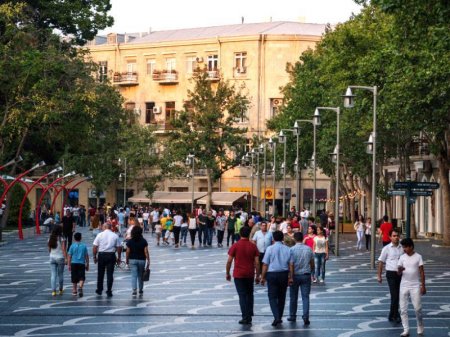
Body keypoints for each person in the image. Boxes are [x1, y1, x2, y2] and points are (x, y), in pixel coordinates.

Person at [226, 226, 260, 325]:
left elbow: (229, 261)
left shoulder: (235, 245)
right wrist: (257, 275)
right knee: (250, 294)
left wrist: (227, 273)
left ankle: (245, 316)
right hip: (250, 274)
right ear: (249, 234)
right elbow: (257, 263)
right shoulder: (253, 246)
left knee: (242, 295)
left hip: (239, 274)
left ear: (240, 234)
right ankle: (249, 314)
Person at [260, 230, 291, 327]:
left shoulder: (269, 249)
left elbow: (265, 264)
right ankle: (278, 317)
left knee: (272, 297)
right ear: (282, 238)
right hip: (284, 274)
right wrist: (290, 276)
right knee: (282, 297)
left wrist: (263, 277)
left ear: (273, 238)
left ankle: (276, 317)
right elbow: (291, 264)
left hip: (272, 274)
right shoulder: (287, 249)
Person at [398, 238, 426, 337]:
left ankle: (420, 326)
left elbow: (422, 272)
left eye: (405, 247)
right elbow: (398, 272)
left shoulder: (418, 257)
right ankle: (406, 330)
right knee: (403, 309)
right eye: (403, 247)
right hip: (404, 285)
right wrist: (400, 270)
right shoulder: (402, 257)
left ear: (411, 247)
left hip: (415, 286)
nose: (404, 249)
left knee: (418, 308)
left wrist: (423, 285)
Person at [288, 232, 314, 325]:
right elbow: (312, 263)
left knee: (293, 297)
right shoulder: (308, 249)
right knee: (305, 297)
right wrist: (311, 272)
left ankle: (292, 316)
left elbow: (290, 264)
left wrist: (290, 276)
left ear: (294, 239)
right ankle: (305, 316)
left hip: (295, 275)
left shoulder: (291, 250)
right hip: (306, 275)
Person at [377, 229, 403, 323]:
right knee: (394, 295)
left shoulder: (402, 248)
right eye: (394, 236)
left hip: (400, 274)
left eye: (397, 236)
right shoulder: (386, 248)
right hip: (391, 274)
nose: (396, 237)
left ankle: (391, 314)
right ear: (390, 237)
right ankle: (396, 315)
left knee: (398, 296)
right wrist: (379, 276)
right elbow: (381, 262)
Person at [92, 222, 122, 297]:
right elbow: (119, 247)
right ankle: (109, 290)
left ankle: (99, 289)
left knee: (100, 273)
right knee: (110, 274)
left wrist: (94, 256)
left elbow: (95, 247)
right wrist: (119, 257)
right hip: (111, 255)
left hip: (101, 255)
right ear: (110, 227)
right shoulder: (115, 235)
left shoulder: (100, 235)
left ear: (104, 227)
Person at [126, 226, 150, 296]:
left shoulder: (130, 241)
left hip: (132, 259)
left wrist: (127, 260)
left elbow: (127, 251)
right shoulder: (144, 241)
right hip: (142, 260)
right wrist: (148, 260)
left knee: (133, 275)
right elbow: (146, 252)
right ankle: (140, 289)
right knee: (140, 275)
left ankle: (134, 289)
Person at [67, 232, 89, 297]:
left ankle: (74, 290)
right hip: (81, 263)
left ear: (74, 238)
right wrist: (87, 264)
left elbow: (69, 256)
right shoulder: (84, 246)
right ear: (81, 238)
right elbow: (86, 256)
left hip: (73, 263)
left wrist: (69, 264)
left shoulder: (72, 246)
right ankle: (80, 286)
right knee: (82, 277)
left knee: (74, 277)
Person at [48, 225, 67, 296]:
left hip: (52, 257)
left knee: (53, 275)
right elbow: (63, 249)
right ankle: (60, 290)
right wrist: (66, 258)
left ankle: (53, 291)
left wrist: (51, 254)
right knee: (60, 274)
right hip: (60, 258)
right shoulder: (62, 238)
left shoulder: (50, 238)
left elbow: (49, 249)